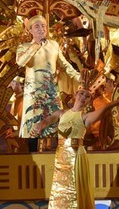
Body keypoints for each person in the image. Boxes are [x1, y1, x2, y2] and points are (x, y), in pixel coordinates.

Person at [32, 85, 119, 209]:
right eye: (81, 93)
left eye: (87, 96)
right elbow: (48, 120)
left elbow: (107, 106)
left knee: (75, 187)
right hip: (61, 155)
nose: (83, 97)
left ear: (89, 101)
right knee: (60, 186)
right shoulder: (62, 113)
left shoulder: (86, 117)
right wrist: (40, 125)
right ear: (75, 94)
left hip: (77, 155)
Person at [16, 14, 81, 152]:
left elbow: (64, 65)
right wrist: (35, 46)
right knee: (33, 126)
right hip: (33, 94)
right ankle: (32, 158)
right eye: (37, 26)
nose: (41, 29)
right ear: (30, 30)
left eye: (43, 26)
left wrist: (78, 77)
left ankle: (57, 158)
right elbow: (21, 62)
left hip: (51, 91)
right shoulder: (24, 47)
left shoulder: (54, 45)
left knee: (56, 124)